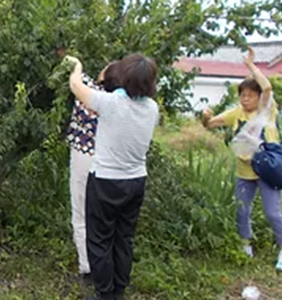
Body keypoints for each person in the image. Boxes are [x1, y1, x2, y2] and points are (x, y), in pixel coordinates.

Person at [67, 54, 159, 300]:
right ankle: (117, 291)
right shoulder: (152, 108)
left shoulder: (110, 103)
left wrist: (77, 66)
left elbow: (76, 86)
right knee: (124, 238)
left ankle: (104, 294)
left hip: (106, 182)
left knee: (99, 241)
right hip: (136, 181)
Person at [202, 47, 282, 272]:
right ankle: (245, 245)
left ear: (258, 97)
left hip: (267, 171)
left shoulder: (266, 110)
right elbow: (211, 124)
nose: (245, 99)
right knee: (241, 210)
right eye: (242, 95)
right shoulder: (236, 113)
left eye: (249, 95)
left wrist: (251, 66)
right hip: (245, 172)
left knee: (273, 212)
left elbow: (267, 87)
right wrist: (205, 117)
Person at [66, 61, 121, 281]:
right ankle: (107, 262)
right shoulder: (122, 103)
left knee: (80, 211)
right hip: (108, 162)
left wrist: (76, 64)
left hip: (83, 156)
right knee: (104, 214)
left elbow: (76, 79)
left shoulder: (91, 94)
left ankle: (87, 266)